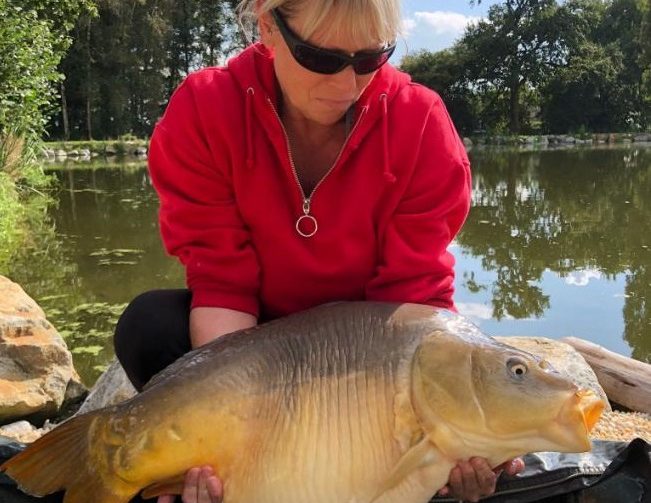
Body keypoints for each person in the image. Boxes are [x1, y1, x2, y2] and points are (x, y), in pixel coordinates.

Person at [114, 0, 524, 502]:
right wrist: (231, 430)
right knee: (149, 326)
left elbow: (414, 305)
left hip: (368, 360)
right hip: (255, 341)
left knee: (461, 432)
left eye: (371, 59)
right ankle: (214, 473)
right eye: (322, 59)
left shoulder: (420, 122)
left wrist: (459, 430)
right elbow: (222, 283)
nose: (346, 85)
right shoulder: (205, 108)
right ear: (268, 28)